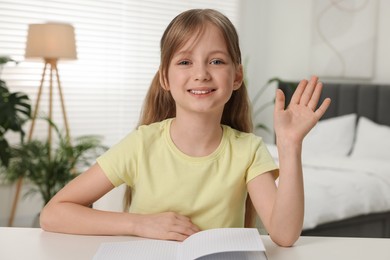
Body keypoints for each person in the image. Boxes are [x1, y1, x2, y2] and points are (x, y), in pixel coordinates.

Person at [40, 8, 331, 247]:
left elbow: (284, 234)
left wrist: (290, 144)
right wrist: (139, 223)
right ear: (165, 78)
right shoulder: (142, 144)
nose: (201, 74)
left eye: (216, 61)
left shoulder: (248, 150)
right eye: (185, 61)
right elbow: (53, 214)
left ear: (237, 77)